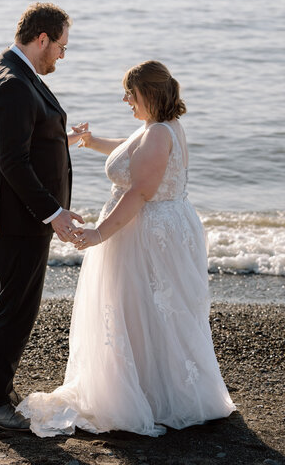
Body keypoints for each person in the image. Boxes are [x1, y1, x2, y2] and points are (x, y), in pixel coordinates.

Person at [18, 60, 236, 437]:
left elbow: (139, 192)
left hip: (147, 234)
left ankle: (153, 397)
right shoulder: (159, 128)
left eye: (130, 94)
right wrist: (89, 141)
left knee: (145, 307)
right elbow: (129, 149)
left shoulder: (157, 134)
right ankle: (156, 389)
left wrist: (99, 234)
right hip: (163, 228)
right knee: (151, 311)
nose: (125, 100)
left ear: (148, 95)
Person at [0, 2, 84, 431]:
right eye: (60, 47)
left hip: (8, 215)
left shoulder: (9, 70)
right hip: (17, 219)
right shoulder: (14, 84)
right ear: (42, 38)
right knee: (15, 310)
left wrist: (59, 138)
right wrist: (53, 213)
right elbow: (13, 162)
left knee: (3, 301)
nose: (61, 55)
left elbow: (24, 140)